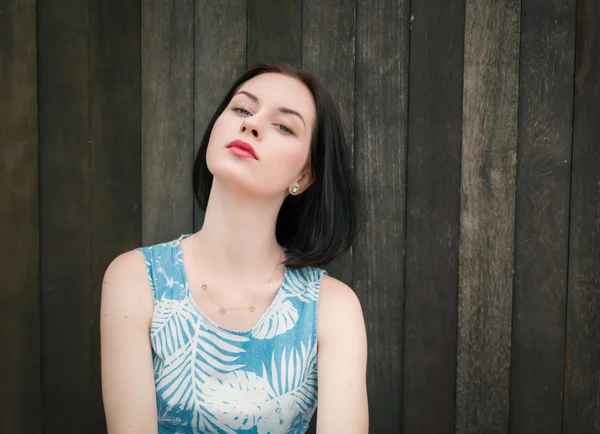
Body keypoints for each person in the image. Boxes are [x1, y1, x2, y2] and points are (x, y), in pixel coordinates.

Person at [100, 62, 368, 434]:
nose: (252, 123)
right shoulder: (136, 278)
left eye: (283, 126)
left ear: (303, 176)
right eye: (242, 109)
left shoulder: (332, 309)